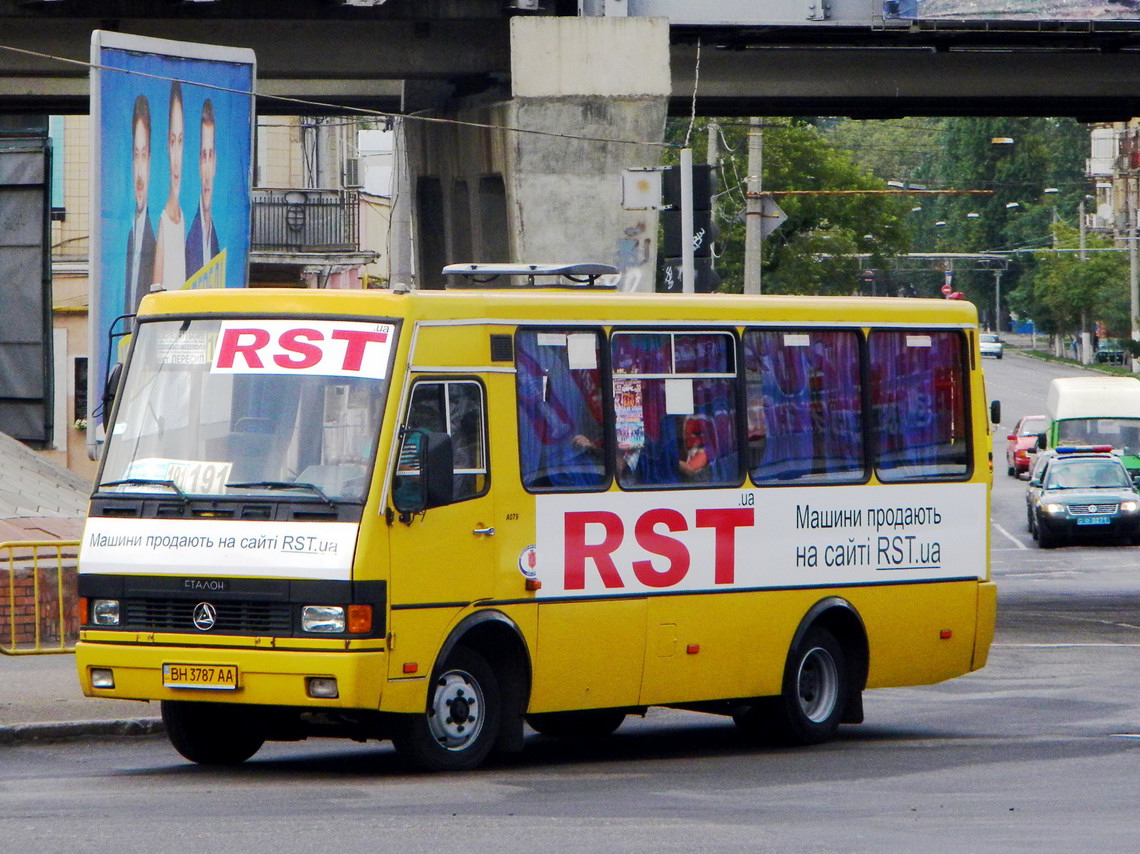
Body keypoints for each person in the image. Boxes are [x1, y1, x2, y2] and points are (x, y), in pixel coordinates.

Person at [152, 81, 187, 290]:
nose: (176, 156)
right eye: (172, 141)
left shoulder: (184, 220)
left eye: (181, 141)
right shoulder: (162, 220)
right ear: (166, 144)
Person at [125, 94, 156, 312]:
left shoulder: (153, 240)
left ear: (151, 160)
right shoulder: (129, 234)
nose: (139, 174)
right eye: (136, 155)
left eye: (144, 155)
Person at [185, 98, 220, 278]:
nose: (206, 169)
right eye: (203, 157)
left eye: (210, 156)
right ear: (199, 163)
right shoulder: (188, 236)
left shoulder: (216, 236)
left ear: (215, 162)